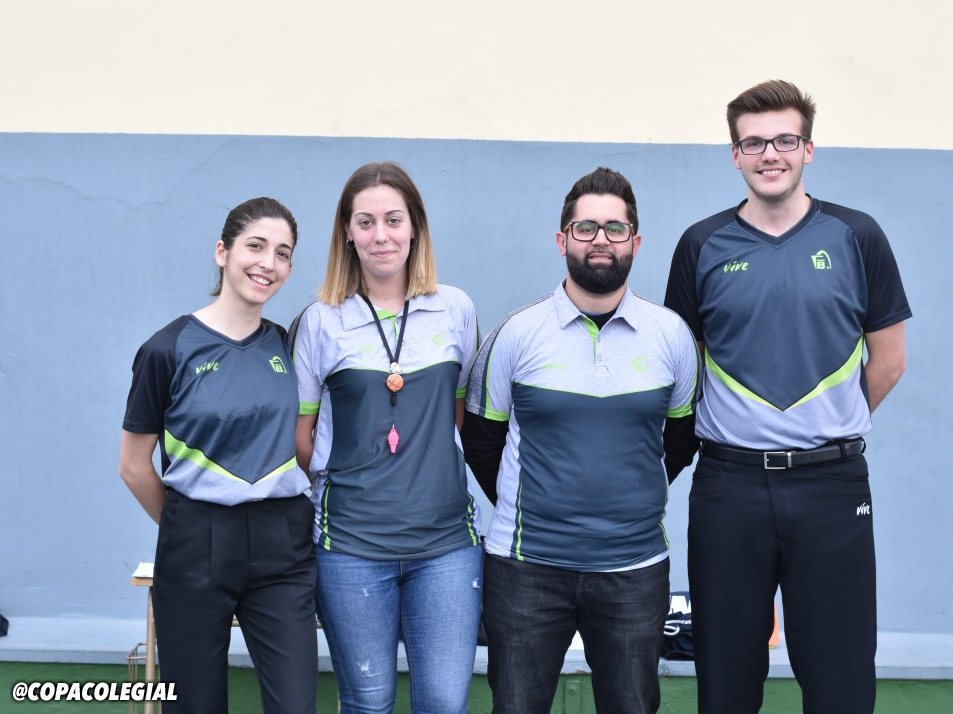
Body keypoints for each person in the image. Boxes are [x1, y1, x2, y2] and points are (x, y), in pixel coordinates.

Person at [664, 80, 911, 714]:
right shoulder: (700, 244)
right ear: (735, 155)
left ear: (808, 149)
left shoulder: (857, 235)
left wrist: (824, 427)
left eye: (784, 140)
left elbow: (889, 361)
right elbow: (682, 370)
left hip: (831, 487)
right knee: (725, 683)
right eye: (754, 143)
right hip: (729, 487)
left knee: (840, 683)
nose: (769, 154)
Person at [462, 167, 701, 714]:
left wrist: (627, 496)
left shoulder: (671, 335)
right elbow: (480, 442)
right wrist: (539, 504)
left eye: (615, 228)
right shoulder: (515, 334)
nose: (600, 240)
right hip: (525, 570)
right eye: (585, 227)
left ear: (635, 242)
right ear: (562, 239)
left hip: (634, 569)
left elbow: (680, 440)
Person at [290, 162, 481, 714]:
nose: (381, 235)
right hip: (350, 548)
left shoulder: (455, 309)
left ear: (415, 227)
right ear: (347, 232)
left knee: (444, 704)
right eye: (366, 221)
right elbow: (302, 436)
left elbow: (457, 415)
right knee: (368, 703)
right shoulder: (319, 321)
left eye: (394, 220)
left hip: (446, 546)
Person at [119, 198, 317, 714]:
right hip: (195, 542)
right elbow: (133, 466)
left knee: (296, 704)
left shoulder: (287, 345)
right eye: (256, 246)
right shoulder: (167, 349)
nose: (268, 263)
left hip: (283, 545)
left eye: (282, 253)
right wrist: (190, 527)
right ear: (223, 252)